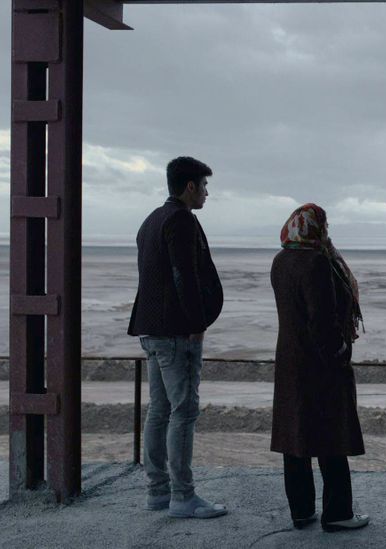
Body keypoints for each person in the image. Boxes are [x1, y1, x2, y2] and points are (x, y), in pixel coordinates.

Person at [128, 156, 226, 518]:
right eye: (204, 186)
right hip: (176, 334)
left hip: (150, 330)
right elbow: (184, 276)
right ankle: (183, 497)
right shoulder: (182, 220)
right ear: (189, 187)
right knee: (183, 411)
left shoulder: (150, 220)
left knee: (159, 411)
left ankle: (158, 492)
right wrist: (196, 323)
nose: (206, 193)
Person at [270, 203, 369, 532]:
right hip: (319, 365)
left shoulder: (281, 260)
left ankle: (301, 512)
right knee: (331, 437)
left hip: (289, 361)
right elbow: (322, 322)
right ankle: (338, 513)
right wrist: (340, 352)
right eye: (324, 225)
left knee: (295, 436)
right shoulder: (317, 263)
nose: (327, 231)